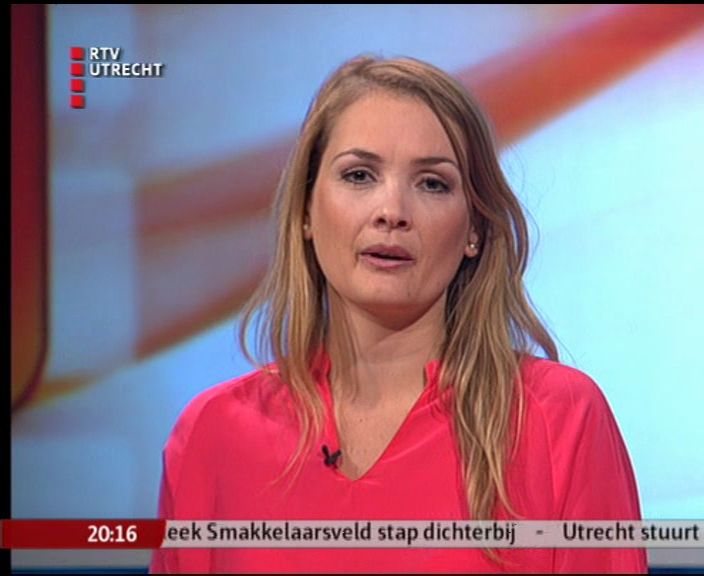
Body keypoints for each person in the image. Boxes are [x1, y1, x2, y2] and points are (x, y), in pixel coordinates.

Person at [150, 55, 646, 574]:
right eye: (359, 175)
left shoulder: (558, 417)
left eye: (432, 183)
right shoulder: (214, 433)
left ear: (475, 229)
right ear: (306, 212)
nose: (392, 212)